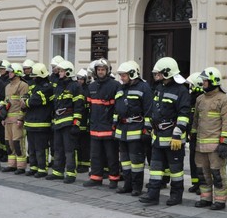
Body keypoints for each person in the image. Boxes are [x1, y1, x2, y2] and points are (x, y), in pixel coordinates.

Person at [139, 57, 191, 207]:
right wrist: (148, 128)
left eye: (159, 73)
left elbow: (184, 114)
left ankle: (176, 195)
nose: (156, 75)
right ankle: (152, 195)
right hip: (158, 137)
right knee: (155, 168)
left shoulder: (181, 91)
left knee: (175, 170)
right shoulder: (159, 87)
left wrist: (177, 133)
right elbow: (153, 110)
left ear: (167, 73)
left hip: (173, 138)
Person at [192, 67, 227, 210]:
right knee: (202, 174)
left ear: (213, 81)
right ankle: (206, 198)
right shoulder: (199, 99)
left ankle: (220, 200)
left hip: (216, 146)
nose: (203, 83)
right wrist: (192, 136)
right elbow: (195, 120)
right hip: (200, 145)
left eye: (205, 81)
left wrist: (224, 143)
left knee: (217, 174)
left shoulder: (225, 100)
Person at [113, 61, 153, 196]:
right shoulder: (121, 88)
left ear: (132, 74)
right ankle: (127, 185)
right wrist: (114, 123)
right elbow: (116, 108)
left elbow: (148, 110)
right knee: (125, 161)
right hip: (122, 129)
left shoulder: (144, 87)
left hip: (136, 129)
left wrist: (147, 130)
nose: (121, 78)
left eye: (123, 75)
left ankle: (137, 187)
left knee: (136, 162)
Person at [83, 59, 122, 188]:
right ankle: (95, 178)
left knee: (111, 156)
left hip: (109, 128)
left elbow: (119, 107)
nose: (100, 72)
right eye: (99, 70)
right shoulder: (92, 87)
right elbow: (88, 107)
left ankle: (113, 179)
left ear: (108, 71)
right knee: (95, 156)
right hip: (95, 128)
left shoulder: (115, 85)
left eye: (103, 70)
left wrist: (115, 124)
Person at [48, 60, 84, 183]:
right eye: (60, 71)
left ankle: (70, 173)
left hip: (69, 123)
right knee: (58, 148)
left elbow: (79, 106)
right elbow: (55, 105)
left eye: (62, 71)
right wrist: (53, 120)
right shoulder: (58, 85)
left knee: (70, 149)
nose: (60, 73)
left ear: (68, 72)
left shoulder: (75, 86)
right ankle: (57, 172)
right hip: (58, 122)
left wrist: (76, 123)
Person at [23, 62, 54, 177]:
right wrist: (27, 100)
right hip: (31, 122)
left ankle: (42, 169)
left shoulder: (48, 88)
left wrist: (26, 102)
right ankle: (33, 167)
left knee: (41, 148)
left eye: (35, 76)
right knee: (31, 148)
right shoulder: (36, 87)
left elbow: (35, 100)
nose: (33, 78)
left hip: (42, 123)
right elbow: (28, 96)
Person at [1, 63, 30, 173]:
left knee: (18, 143)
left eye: (11, 72)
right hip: (8, 119)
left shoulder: (23, 85)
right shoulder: (7, 86)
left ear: (17, 72)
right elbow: (6, 102)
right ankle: (11, 164)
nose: (9, 73)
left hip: (17, 119)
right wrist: (3, 117)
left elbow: (23, 104)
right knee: (9, 143)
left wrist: (20, 118)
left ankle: (21, 166)